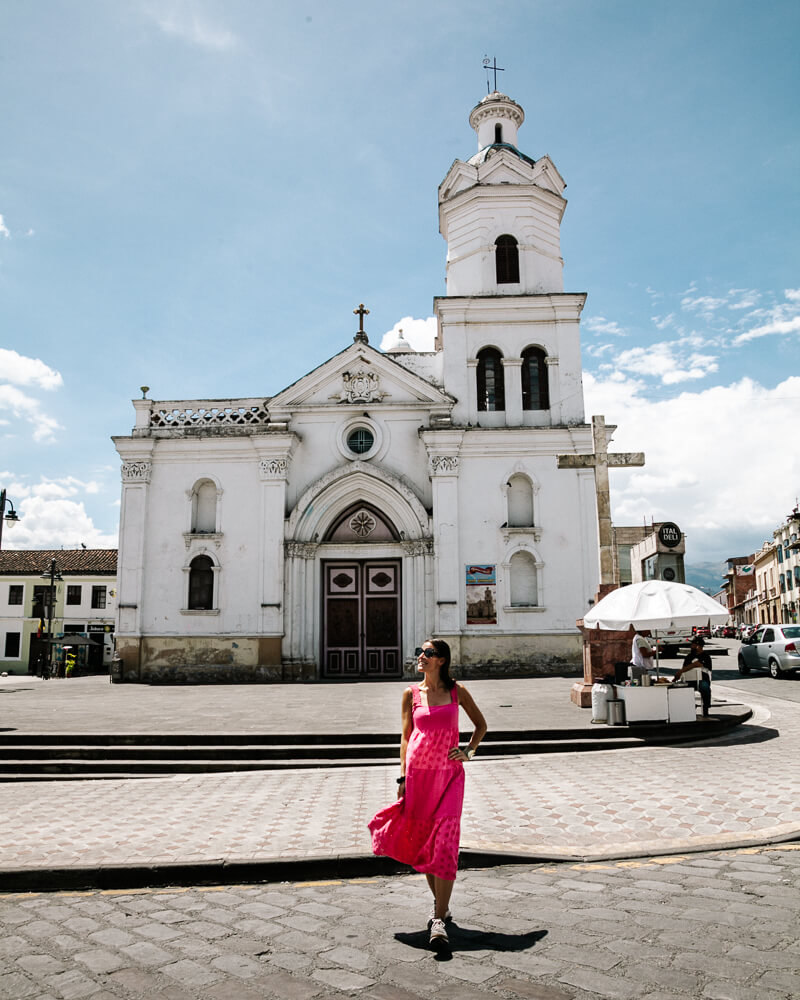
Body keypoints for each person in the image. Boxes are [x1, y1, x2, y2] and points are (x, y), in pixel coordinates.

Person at [368, 638, 487, 949]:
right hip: (419, 777)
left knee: (446, 841)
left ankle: (437, 919)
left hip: (449, 777)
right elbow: (406, 738)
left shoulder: (456, 691)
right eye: (420, 652)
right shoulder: (411, 694)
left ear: (442, 660)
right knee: (425, 843)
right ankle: (442, 906)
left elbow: (481, 726)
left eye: (429, 653)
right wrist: (403, 777)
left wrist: (469, 753)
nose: (421, 656)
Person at [675, 635, 712, 716]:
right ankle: (689, 706)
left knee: (705, 687)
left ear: (698, 646)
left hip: (702, 679)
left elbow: (697, 664)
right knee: (679, 689)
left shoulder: (706, 656)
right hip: (688, 680)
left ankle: (706, 707)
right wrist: (678, 675)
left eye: (693, 645)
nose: (691, 646)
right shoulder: (689, 656)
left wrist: (681, 671)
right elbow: (684, 668)